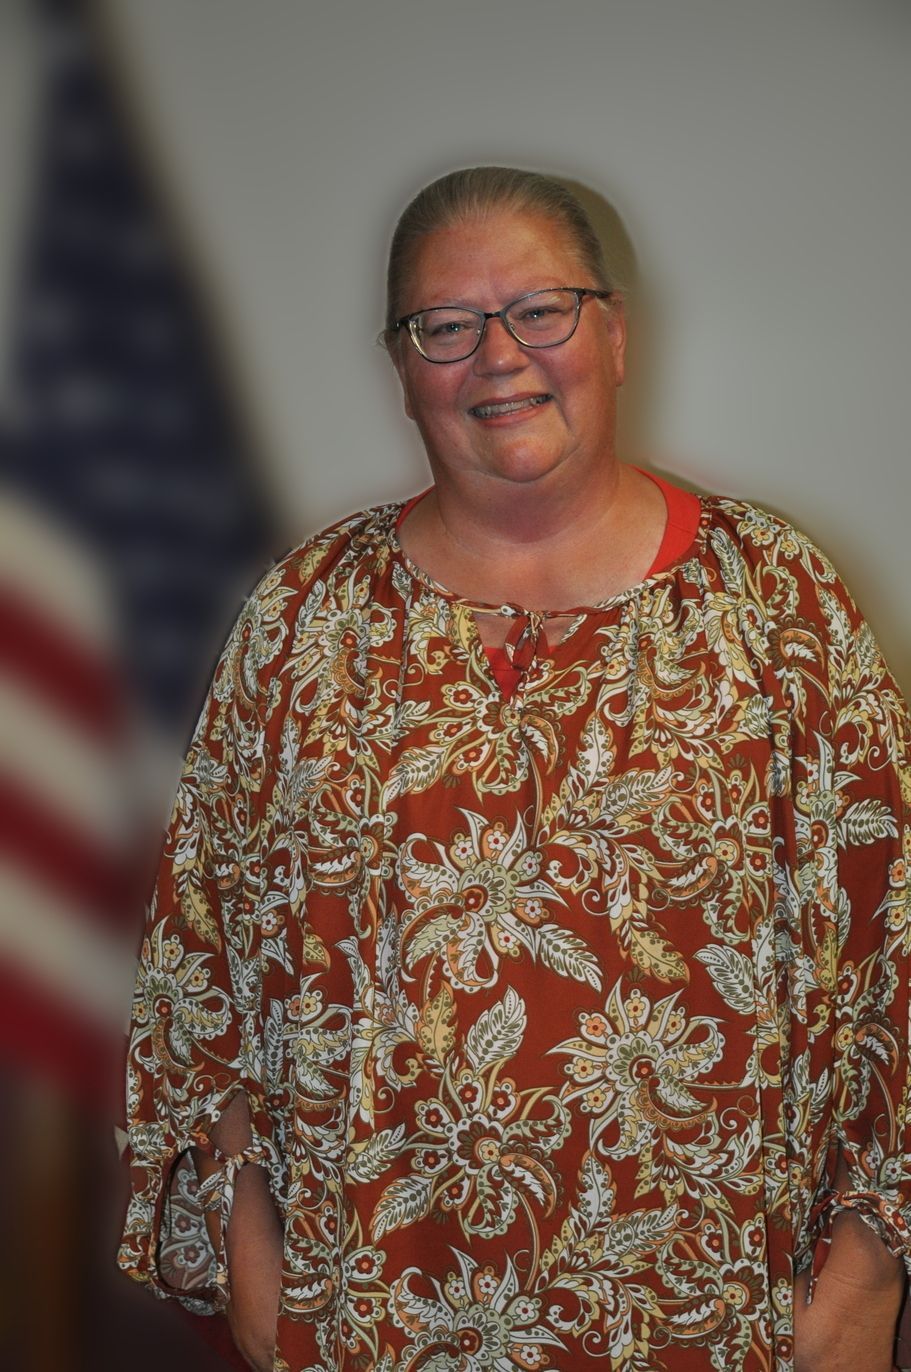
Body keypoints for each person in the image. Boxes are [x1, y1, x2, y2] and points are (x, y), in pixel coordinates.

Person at [118, 167, 911, 1371]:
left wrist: (854, 1294)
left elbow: (887, 964)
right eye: (445, 325)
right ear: (400, 363)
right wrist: (256, 1269)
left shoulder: (775, 602)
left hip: (713, 1329)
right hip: (367, 1327)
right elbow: (203, 967)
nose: (497, 355)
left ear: (613, 332)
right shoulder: (303, 618)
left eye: (540, 308)